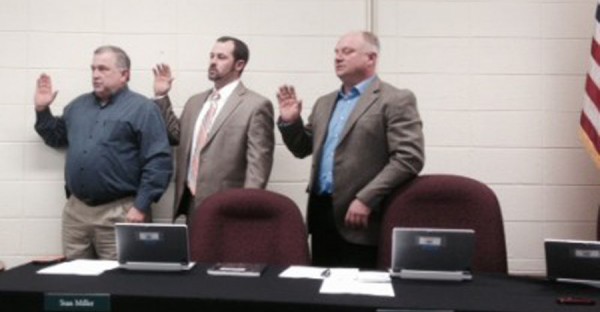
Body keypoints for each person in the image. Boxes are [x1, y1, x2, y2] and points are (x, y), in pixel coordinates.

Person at [277, 31, 425, 269]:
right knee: (321, 297)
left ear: (371, 58)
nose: (338, 57)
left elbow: (409, 158)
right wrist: (290, 121)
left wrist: (366, 199)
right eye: (336, 52)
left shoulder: (395, 99)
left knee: (357, 297)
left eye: (347, 51)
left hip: (362, 218)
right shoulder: (324, 103)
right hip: (321, 214)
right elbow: (302, 148)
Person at [34, 45, 173, 260]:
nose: (96, 75)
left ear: (124, 74)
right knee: (74, 281)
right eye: (93, 69)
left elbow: (159, 161)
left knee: (120, 283)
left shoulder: (143, 109)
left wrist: (141, 205)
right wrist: (43, 111)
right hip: (77, 213)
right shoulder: (77, 106)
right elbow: (56, 138)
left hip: (122, 212)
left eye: (103, 69)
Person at [153, 36, 275, 222]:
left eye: (221, 57)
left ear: (239, 64)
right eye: (211, 56)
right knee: (194, 252)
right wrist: (162, 96)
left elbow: (257, 169)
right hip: (191, 204)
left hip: (229, 209)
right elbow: (176, 136)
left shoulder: (256, 106)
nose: (212, 62)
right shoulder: (195, 102)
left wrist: (246, 211)